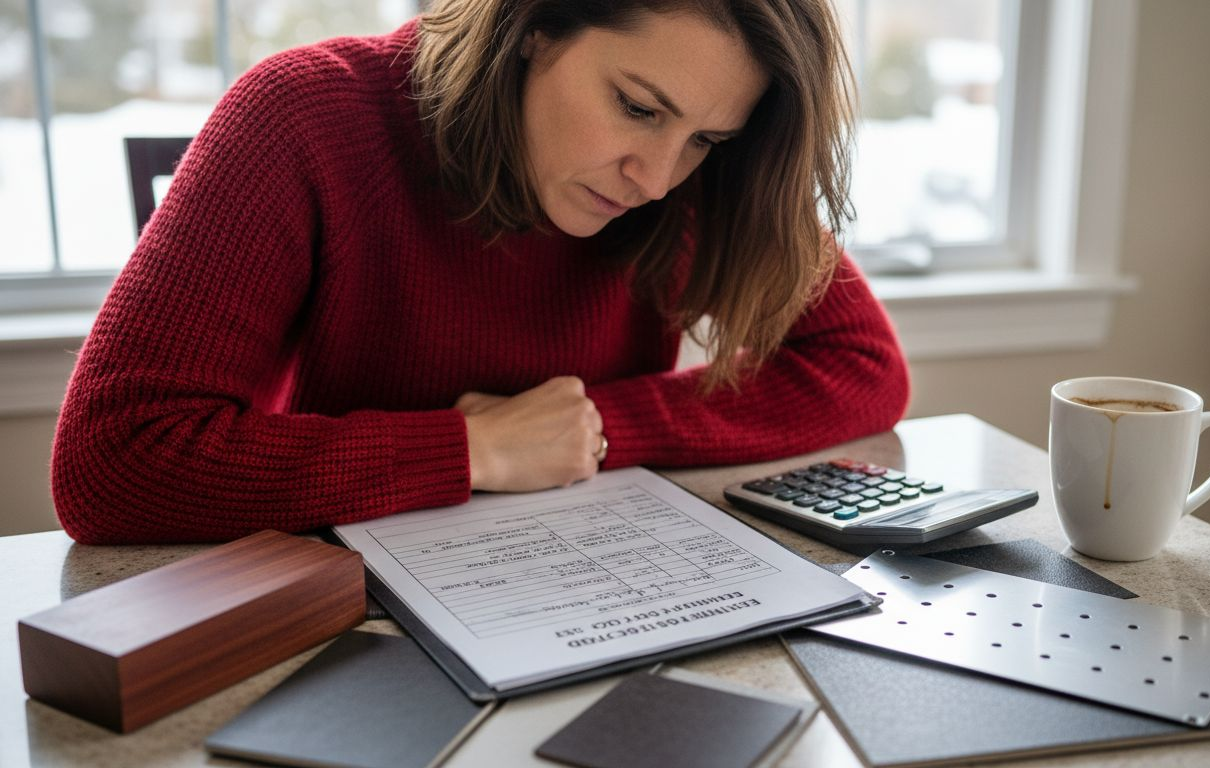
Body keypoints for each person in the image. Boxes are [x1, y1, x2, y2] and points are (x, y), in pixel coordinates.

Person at [51, 0, 910, 545]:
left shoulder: (701, 176)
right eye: (637, 107)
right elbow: (113, 460)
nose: (656, 178)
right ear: (536, 24)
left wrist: (592, 429)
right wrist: (475, 449)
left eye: (705, 139)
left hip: (583, 578)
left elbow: (862, 366)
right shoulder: (302, 115)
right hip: (335, 610)